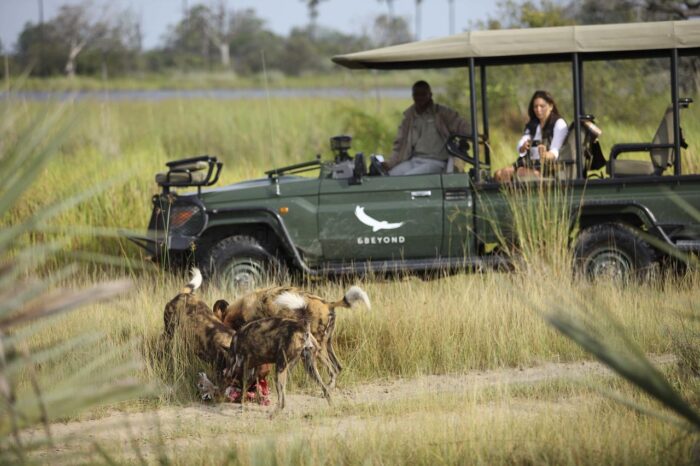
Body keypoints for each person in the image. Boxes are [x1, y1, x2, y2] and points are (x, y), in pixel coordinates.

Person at [382, 80, 469, 176]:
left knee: (408, 179)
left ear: (430, 95)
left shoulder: (441, 113)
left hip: (436, 162)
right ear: (413, 96)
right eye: (417, 94)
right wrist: (389, 163)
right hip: (414, 160)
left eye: (423, 94)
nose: (420, 98)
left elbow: (461, 124)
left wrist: (475, 135)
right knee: (390, 176)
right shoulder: (409, 117)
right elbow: (399, 146)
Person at [494, 90, 568, 183]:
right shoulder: (533, 124)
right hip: (528, 164)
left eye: (542, 106)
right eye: (535, 106)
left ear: (551, 106)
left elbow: (555, 151)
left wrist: (545, 155)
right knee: (498, 174)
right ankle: (511, 194)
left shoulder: (559, 124)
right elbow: (522, 143)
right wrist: (523, 147)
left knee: (518, 173)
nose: (538, 109)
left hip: (548, 169)